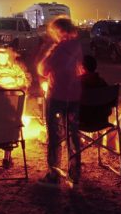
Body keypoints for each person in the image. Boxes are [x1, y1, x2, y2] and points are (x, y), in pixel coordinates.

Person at [37, 16, 83, 188]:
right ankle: (74, 174)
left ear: (59, 31)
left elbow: (43, 69)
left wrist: (49, 52)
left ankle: (54, 175)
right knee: (73, 136)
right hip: (75, 96)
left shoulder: (59, 48)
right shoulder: (77, 46)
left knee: (55, 136)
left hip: (57, 96)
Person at [79, 55, 111, 130]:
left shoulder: (78, 83)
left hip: (82, 122)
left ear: (83, 68)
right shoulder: (103, 83)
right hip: (102, 121)